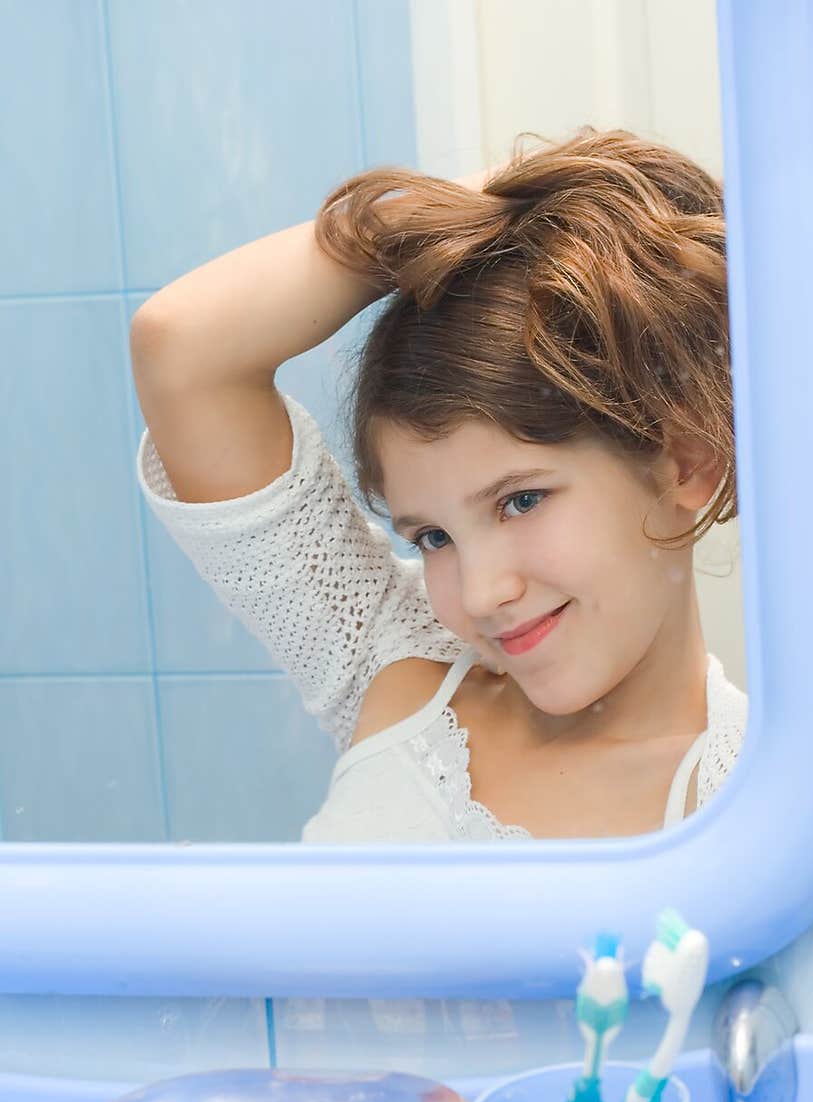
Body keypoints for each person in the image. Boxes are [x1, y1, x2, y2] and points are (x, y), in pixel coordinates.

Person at [133, 125, 747, 843]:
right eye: (433, 537)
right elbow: (182, 350)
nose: (482, 594)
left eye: (519, 501)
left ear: (686, 463)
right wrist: (511, 209)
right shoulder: (395, 658)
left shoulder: (746, 805)